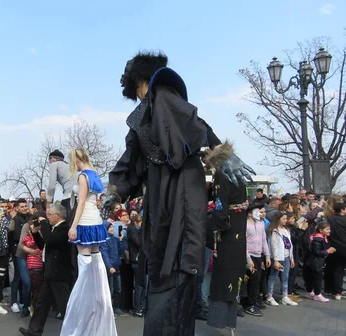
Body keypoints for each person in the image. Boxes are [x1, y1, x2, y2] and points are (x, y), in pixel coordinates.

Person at [109, 51, 254, 336]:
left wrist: (221, 154)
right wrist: (116, 192)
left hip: (180, 189)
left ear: (137, 77)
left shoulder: (162, 94)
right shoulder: (143, 111)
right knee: (165, 265)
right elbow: (132, 158)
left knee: (176, 262)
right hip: (161, 191)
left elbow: (193, 122)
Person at [61, 149, 116, 336]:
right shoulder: (94, 175)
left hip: (85, 222)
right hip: (95, 222)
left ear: (75, 160)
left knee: (84, 268)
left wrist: (73, 226)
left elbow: (81, 203)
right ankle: (94, 308)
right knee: (95, 265)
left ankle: (82, 311)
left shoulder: (83, 176)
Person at [18, 204, 72, 336]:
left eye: (50, 215)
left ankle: (75, 330)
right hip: (50, 273)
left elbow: (50, 240)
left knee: (65, 305)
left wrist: (43, 223)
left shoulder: (64, 228)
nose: (48, 218)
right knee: (42, 304)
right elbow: (45, 245)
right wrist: (36, 234)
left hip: (59, 273)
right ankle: (34, 330)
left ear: (58, 216)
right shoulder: (54, 229)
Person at [206, 167, 248, 334]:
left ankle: (220, 319)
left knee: (224, 277)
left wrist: (215, 226)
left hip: (228, 233)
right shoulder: (238, 175)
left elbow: (220, 207)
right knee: (235, 275)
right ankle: (231, 321)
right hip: (239, 228)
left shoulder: (222, 176)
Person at [303, 221, 335, 302]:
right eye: (327, 229)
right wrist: (328, 251)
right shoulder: (318, 239)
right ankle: (317, 294)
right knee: (317, 278)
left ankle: (309, 292)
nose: (329, 231)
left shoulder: (320, 237)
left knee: (311, 278)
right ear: (321, 230)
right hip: (315, 262)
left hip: (313, 261)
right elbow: (317, 252)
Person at [46, 150, 75, 215]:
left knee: (67, 221)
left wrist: (48, 205)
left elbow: (51, 187)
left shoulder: (54, 164)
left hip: (69, 197)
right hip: (80, 196)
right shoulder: (71, 166)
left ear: (53, 159)